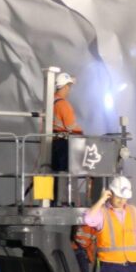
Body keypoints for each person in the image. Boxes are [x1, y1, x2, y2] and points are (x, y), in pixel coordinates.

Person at [51, 72, 83, 205]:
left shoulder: (50, 101)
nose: (69, 90)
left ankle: (54, 201)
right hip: (64, 144)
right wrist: (83, 136)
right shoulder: (63, 104)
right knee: (68, 172)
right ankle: (69, 202)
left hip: (52, 143)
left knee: (54, 173)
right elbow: (72, 127)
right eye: (69, 86)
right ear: (64, 87)